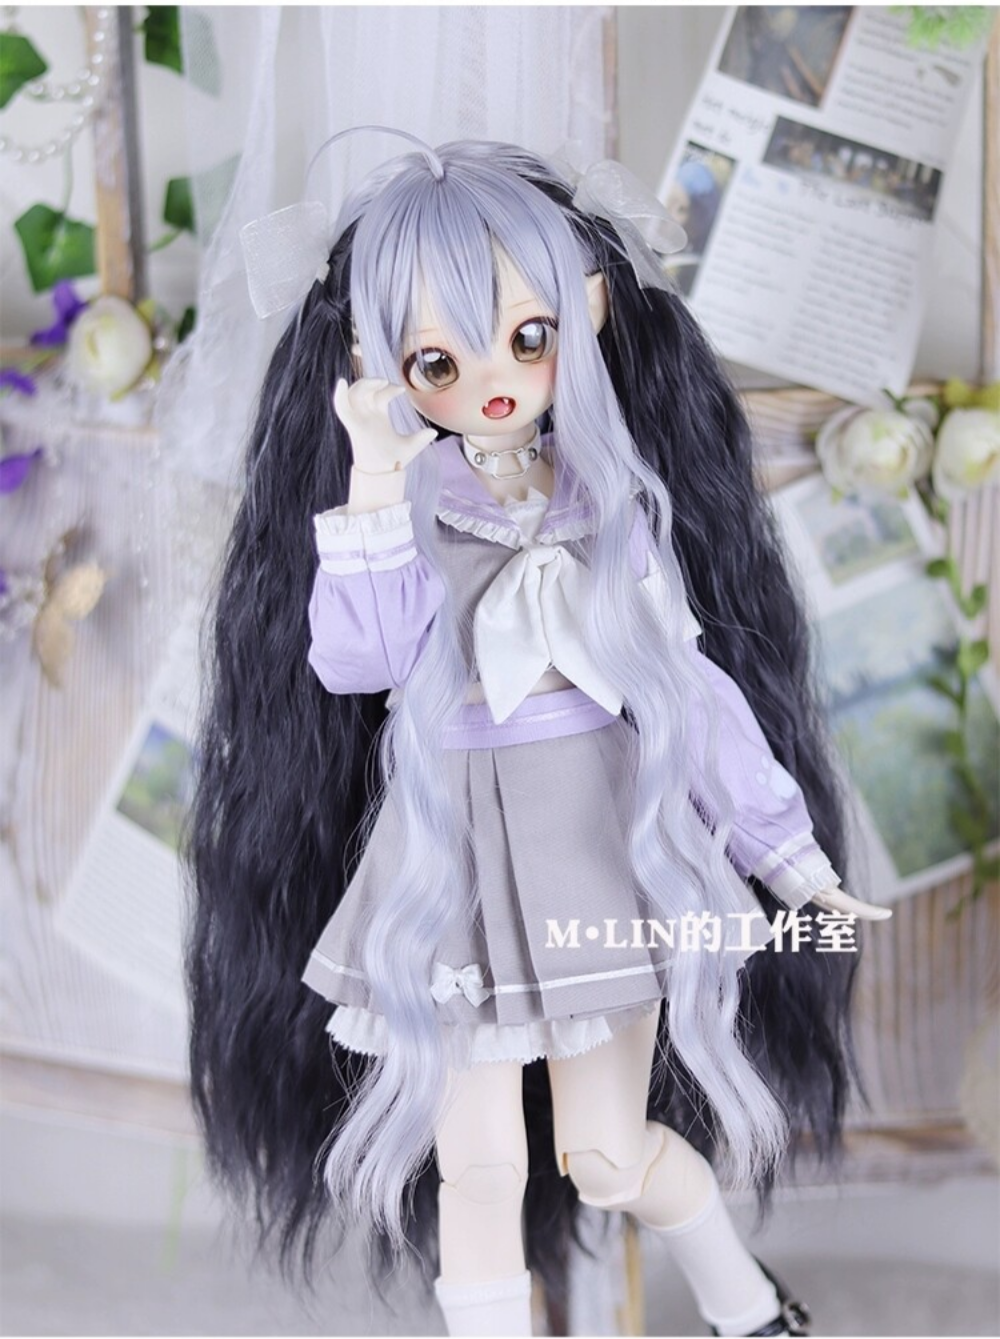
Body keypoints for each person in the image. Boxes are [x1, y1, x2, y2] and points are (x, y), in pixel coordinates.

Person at [187, 134, 890, 1337]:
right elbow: (357, 662)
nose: (495, 380)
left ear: (589, 311)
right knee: (476, 1170)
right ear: (374, 364)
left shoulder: (611, 505)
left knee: (607, 1154)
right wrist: (373, 484)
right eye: (437, 359)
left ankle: (747, 1304)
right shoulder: (406, 510)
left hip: (603, 855)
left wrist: (784, 853)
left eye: (528, 336)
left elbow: (690, 695)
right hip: (449, 866)